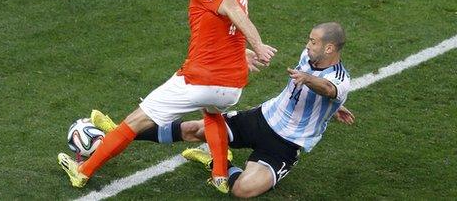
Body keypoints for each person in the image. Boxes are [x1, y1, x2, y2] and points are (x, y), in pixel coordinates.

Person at [57, 0, 276, 193]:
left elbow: (231, 10)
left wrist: (257, 45)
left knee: (134, 121)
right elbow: (230, 26)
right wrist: (242, 52)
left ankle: (82, 172)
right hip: (232, 85)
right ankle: (219, 176)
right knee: (212, 114)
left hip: (199, 80)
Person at [93, 22, 353, 197]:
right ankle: (117, 133)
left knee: (243, 190)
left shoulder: (340, 79)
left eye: (313, 42)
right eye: (309, 40)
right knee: (195, 128)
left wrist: (321, 90)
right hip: (263, 117)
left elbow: (329, 89)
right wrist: (334, 105)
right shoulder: (308, 57)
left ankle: (219, 162)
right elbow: (327, 93)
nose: (308, 45)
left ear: (329, 48)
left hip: (286, 144)